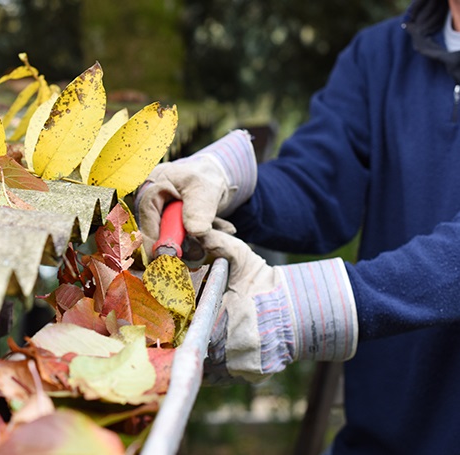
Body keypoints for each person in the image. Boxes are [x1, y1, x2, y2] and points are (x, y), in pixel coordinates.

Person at [137, 0, 460, 453]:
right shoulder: (383, 53)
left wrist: (298, 309)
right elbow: (320, 184)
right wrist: (230, 181)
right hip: (378, 440)